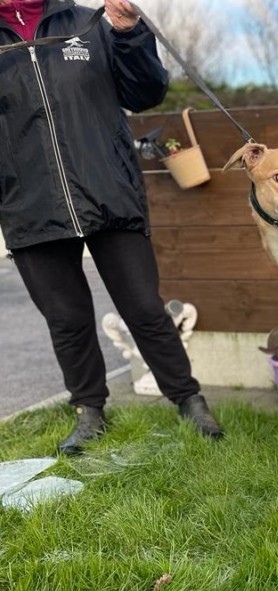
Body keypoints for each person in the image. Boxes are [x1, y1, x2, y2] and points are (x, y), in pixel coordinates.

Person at [0, 0, 223, 454]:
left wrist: (128, 34)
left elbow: (145, 92)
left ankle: (189, 399)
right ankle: (89, 411)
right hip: (28, 203)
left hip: (109, 190)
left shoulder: (89, 23)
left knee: (143, 307)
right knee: (67, 318)